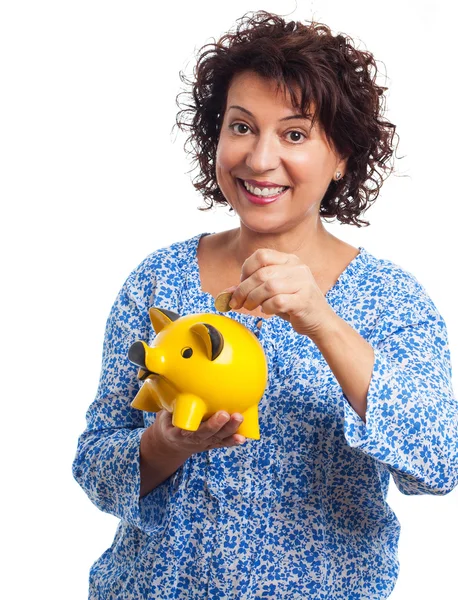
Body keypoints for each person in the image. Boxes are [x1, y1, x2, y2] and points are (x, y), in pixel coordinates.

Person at [72, 10, 458, 599]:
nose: (258, 159)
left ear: (344, 156)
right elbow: (96, 463)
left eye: (295, 134)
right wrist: (166, 444)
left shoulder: (393, 301)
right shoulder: (159, 279)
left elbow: (437, 464)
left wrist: (323, 322)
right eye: (242, 126)